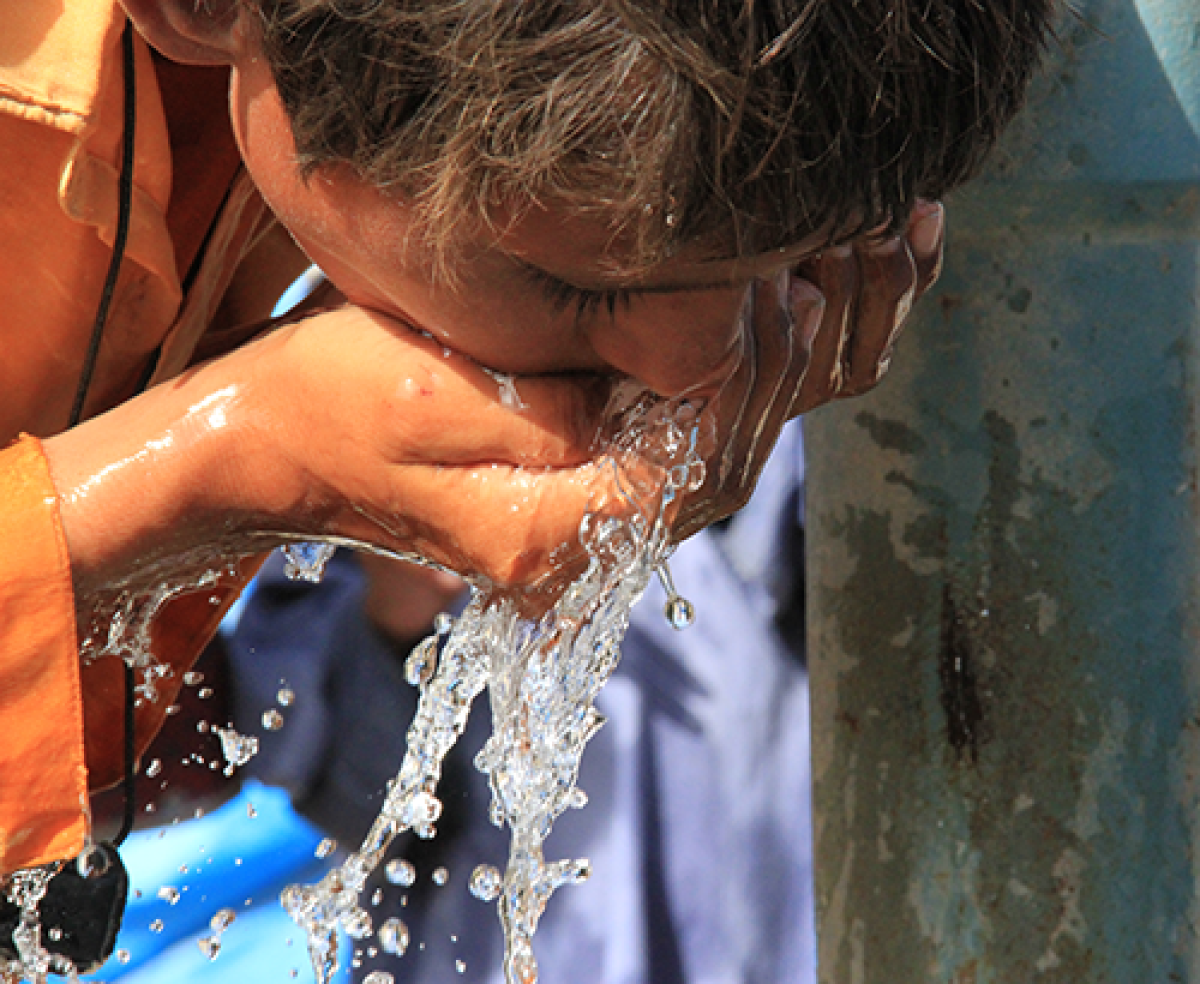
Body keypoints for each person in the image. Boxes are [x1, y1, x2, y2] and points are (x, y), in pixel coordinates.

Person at [0, 0, 1056, 877]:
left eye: (797, 266)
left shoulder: (353, 83)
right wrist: (226, 460)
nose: (707, 364)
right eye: (588, 288)